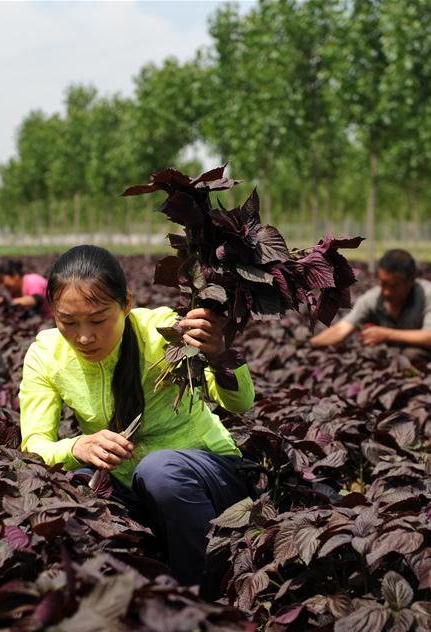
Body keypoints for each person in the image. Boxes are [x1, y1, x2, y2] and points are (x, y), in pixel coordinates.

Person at [18, 245, 254, 591]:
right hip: (129, 487)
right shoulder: (45, 355)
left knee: (158, 471)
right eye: (67, 322)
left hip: (204, 478)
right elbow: (34, 445)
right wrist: (78, 446)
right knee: (73, 488)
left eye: (98, 320)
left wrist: (219, 355)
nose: (84, 336)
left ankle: (205, 595)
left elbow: (239, 404)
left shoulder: (164, 333)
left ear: (126, 303)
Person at [310, 249, 431, 369]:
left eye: (393, 286)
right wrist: (311, 344)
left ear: (411, 280)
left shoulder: (428, 293)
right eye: (383, 284)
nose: (386, 291)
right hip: (401, 364)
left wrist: (386, 334)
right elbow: (342, 329)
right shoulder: (372, 299)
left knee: (411, 355)